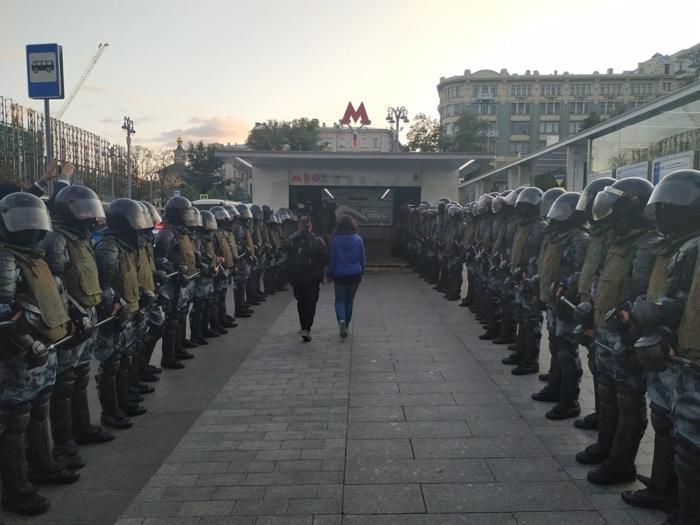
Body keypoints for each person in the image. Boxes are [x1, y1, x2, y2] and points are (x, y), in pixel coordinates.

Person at [286, 216, 327, 342]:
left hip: (296, 276)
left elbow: (286, 257)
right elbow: (324, 259)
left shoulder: (291, 240)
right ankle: (307, 328)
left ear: (299, 225)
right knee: (311, 303)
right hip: (312, 276)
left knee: (301, 301)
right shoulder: (317, 240)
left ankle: (303, 324)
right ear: (310, 226)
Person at [327, 215, 365, 338]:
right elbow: (362, 258)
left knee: (339, 300)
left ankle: (341, 320)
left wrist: (329, 274)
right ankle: (347, 325)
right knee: (349, 300)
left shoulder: (335, 240)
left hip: (340, 274)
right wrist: (362, 270)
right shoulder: (358, 239)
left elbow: (332, 259)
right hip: (355, 274)